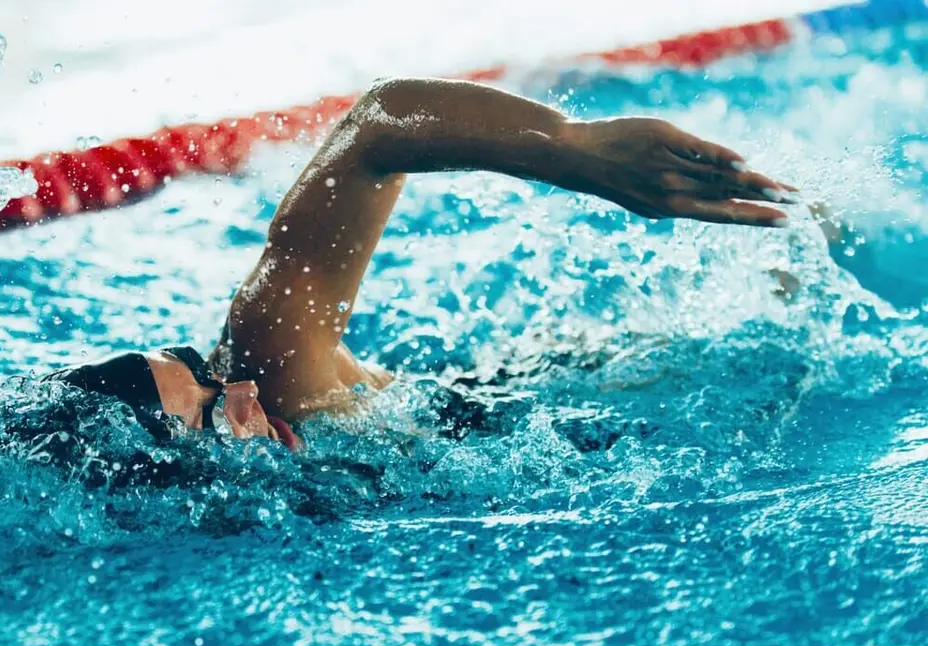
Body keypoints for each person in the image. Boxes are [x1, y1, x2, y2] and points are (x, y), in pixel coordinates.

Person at [39, 77, 798, 454]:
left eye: (198, 368)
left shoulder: (268, 369)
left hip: (505, 410)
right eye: (209, 415)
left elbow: (378, 125)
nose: (238, 392)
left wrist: (576, 150)